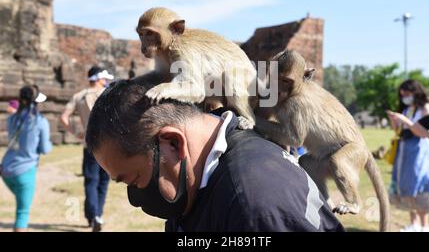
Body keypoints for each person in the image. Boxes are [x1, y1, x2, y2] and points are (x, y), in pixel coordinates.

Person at [85, 75, 345, 232]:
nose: (135, 196)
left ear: (173, 144)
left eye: (133, 180)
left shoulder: (255, 206)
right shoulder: (197, 177)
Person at [389, 81, 429, 232]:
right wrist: (395, 122)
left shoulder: (426, 108)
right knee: (408, 185)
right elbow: (402, 129)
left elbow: (422, 129)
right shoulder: (408, 108)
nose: (405, 97)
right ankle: (414, 224)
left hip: (419, 151)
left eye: (407, 94)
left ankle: (424, 225)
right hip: (405, 150)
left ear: (416, 92)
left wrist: (405, 121)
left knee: (420, 185)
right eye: (402, 95)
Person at [60, 66, 114, 232]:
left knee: (91, 181)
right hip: (107, 145)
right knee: (103, 182)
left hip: (89, 144)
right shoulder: (107, 93)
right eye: (104, 78)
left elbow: (63, 118)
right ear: (98, 78)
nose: (106, 81)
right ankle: (98, 214)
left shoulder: (79, 96)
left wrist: (77, 133)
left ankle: (93, 216)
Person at [0, 85, 52, 232]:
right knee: (22, 213)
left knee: (21, 205)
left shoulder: (12, 119)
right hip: (25, 172)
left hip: (6, 170)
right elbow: (45, 149)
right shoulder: (40, 121)